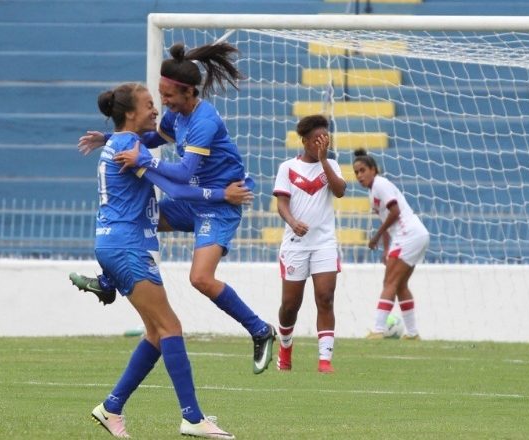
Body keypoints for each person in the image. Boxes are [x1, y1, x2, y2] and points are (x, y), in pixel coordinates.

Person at [71, 41, 276, 374]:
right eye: (160, 95)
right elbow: (153, 139)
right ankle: (109, 281)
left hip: (219, 202)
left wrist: (142, 160)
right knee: (142, 218)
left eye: (167, 96)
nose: (162, 102)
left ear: (188, 92)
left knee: (201, 278)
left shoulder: (203, 122)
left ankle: (259, 330)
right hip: (193, 199)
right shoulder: (177, 116)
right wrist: (111, 139)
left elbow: (184, 173)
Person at [88, 82, 234, 438]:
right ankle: (193, 418)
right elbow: (179, 188)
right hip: (128, 246)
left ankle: (111, 407)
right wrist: (223, 194)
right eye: (149, 104)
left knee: (156, 332)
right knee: (171, 328)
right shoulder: (127, 145)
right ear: (130, 113)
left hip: (116, 243)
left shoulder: (119, 143)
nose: (156, 110)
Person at [272, 115, 346, 373]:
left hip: (324, 243)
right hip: (295, 244)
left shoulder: (332, 165)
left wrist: (324, 159)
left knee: (325, 297)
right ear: (304, 141)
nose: (321, 143)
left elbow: (339, 191)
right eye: (316, 139)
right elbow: (281, 203)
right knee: (290, 305)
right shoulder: (287, 168)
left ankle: (325, 360)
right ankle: (285, 347)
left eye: (325, 138)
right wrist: (292, 222)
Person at [352, 149, 428, 340]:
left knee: (389, 283)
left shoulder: (380, 184)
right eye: (356, 173)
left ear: (373, 170)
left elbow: (394, 212)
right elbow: (386, 219)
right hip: (416, 234)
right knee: (401, 284)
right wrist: (386, 249)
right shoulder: (373, 191)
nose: (359, 176)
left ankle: (378, 330)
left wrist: (375, 237)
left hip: (408, 233)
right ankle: (412, 333)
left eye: (362, 170)